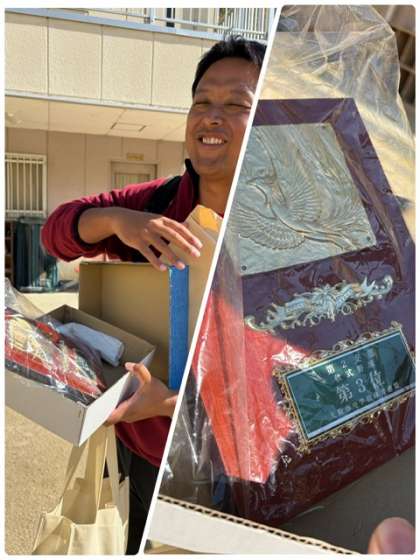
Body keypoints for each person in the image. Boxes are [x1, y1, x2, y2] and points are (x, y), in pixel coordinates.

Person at [41, 35, 266, 553]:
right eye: (202, 101)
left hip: (227, 475)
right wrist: (118, 220)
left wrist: (167, 402)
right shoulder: (159, 202)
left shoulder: (287, 231)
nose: (212, 116)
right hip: (138, 454)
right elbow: (55, 235)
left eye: (237, 105)